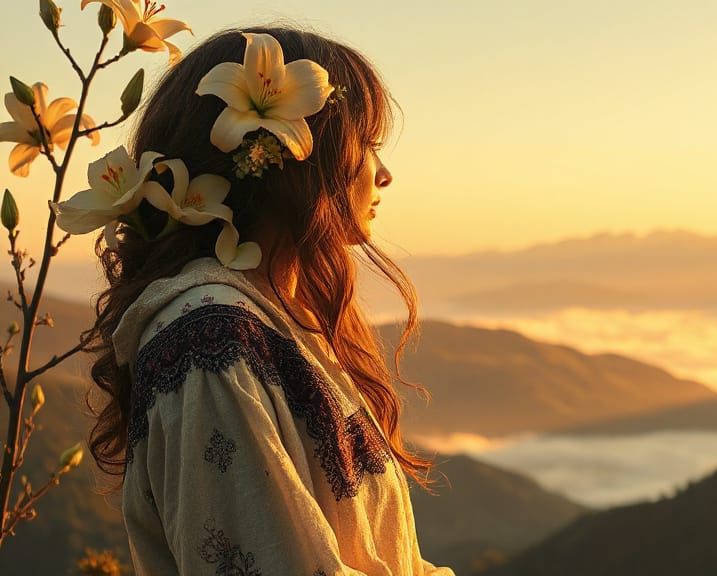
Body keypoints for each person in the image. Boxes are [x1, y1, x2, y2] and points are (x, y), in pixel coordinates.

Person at [73, 25, 456, 575]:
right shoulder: (208, 345)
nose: (384, 173)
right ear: (294, 156)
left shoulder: (270, 328)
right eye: (366, 143)